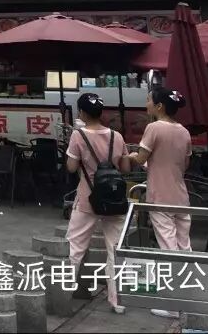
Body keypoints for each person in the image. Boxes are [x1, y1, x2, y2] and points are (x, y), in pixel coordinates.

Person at [65, 92, 131, 315]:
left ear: (82, 113)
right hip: (115, 199)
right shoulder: (117, 136)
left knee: (74, 248)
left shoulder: (78, 136)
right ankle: (117, 300)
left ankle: (63, 295)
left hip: (87, 199)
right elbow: (125, 169)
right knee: (115, 249)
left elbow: (71, 167)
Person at [127, 86, 192, 252]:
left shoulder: (154, 128)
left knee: (168, 244)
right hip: (181, 196)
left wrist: (132, 156)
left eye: (148, 100)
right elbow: (183, 165)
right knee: (184, 244)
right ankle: (189, 268)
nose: (146, 104)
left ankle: (174, 269)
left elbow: (141, 158)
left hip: (160, 196)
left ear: (159, 106)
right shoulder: (184, 132)